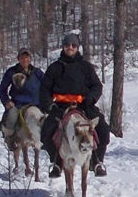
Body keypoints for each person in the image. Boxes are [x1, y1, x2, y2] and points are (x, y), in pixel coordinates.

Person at [40, 30, 110, 178]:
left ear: (77, 47)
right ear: (63, 47)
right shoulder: (54, 68)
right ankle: (57, 161)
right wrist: (49, 105)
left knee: (103, 130)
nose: (69, 47)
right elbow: (44, 89)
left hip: (83, 105)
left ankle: (97, 161)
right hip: (60, 106)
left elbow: (97, 86)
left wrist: (89, 99)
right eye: (66, 45)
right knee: (46, 133)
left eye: (73, 45)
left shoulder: (86, 67)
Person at [0, 48, 44, 135]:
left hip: (36, 104)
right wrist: (6, 101)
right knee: (11, 118)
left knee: (46, 121)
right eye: (22, 57)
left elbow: (47, 86)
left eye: (27, 57)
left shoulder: (37, 72)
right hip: (18, 105)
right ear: (18, 59)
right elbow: (2, 89)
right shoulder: (11, 72)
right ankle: (10, 140)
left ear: (30, 58)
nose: (25, 60)